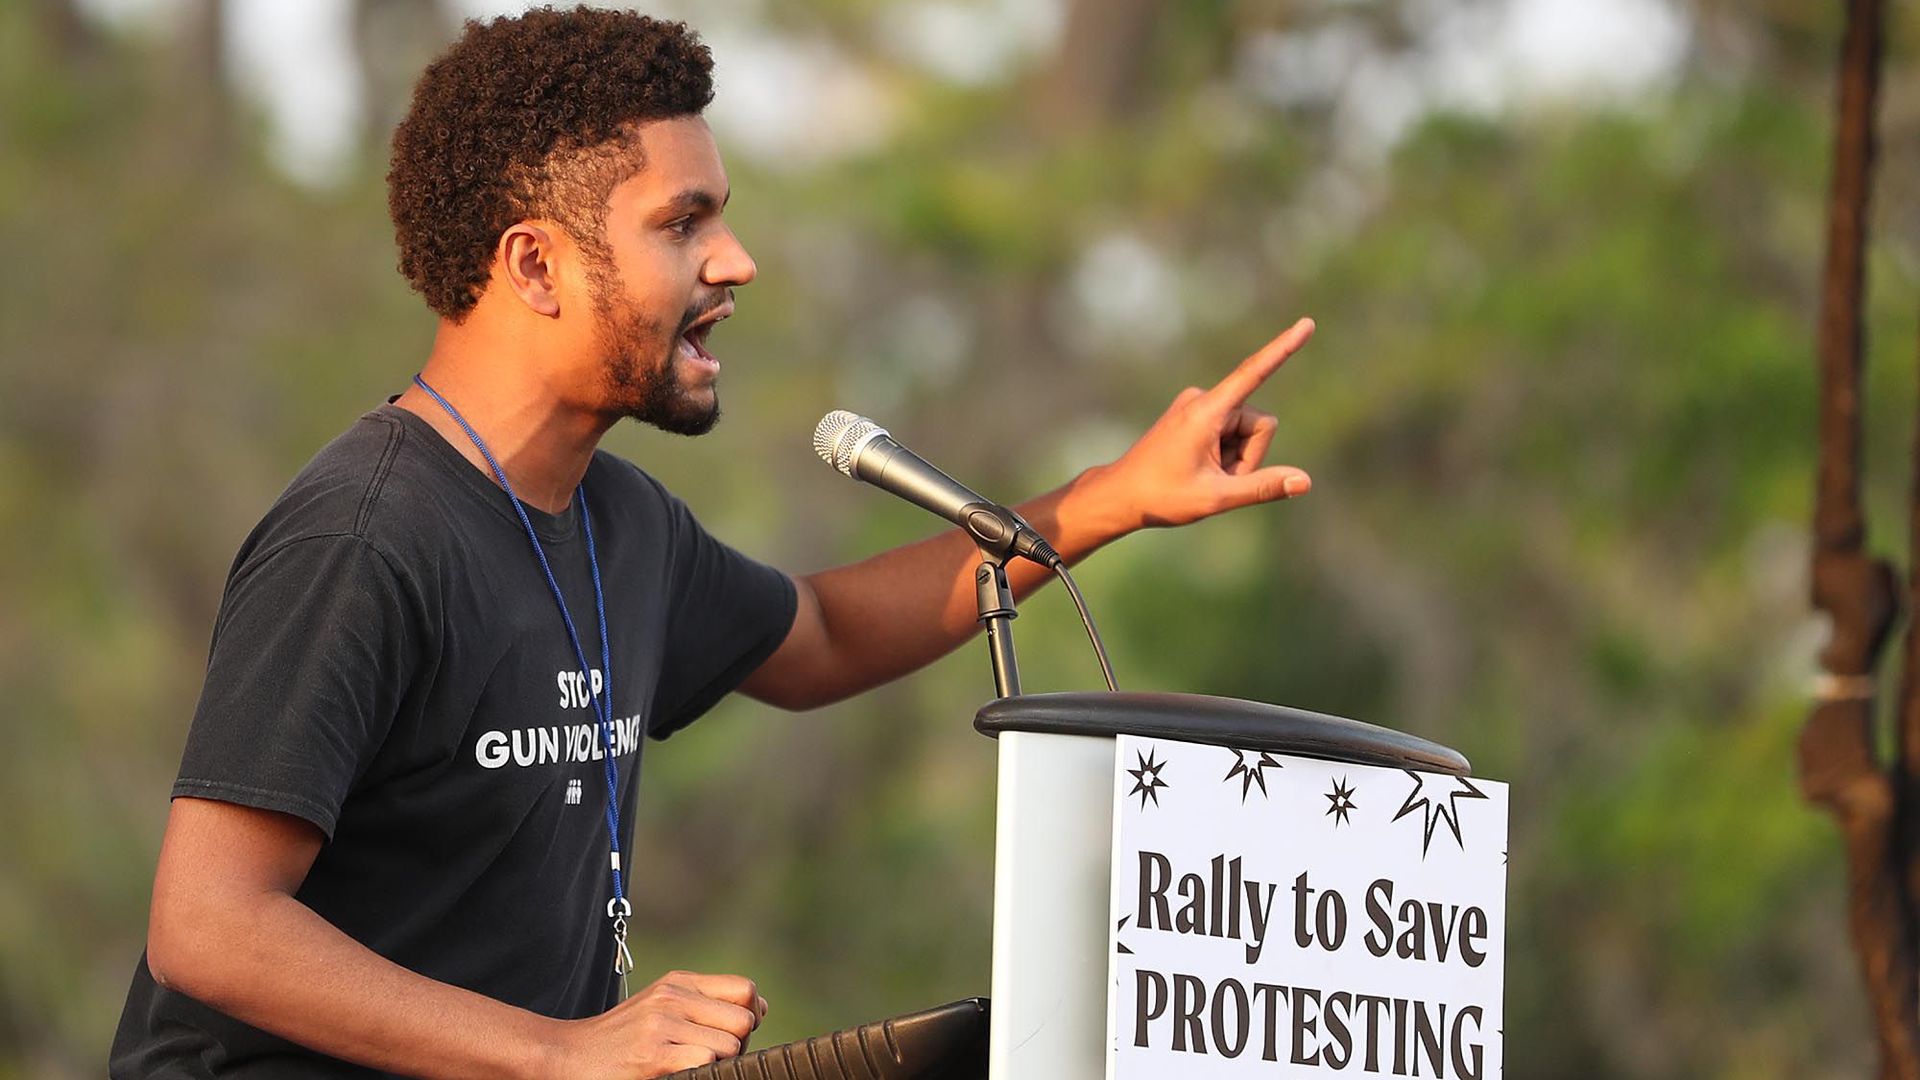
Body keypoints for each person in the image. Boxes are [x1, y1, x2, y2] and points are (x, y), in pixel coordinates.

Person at [108, 7, 1317, 1079]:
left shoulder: (620, 523)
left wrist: (1108, 500)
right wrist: (561, 1053)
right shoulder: (365, 538)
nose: (733, 263)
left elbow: (829, 632)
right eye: (682, 223)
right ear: (535, 263)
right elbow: (208, 926)